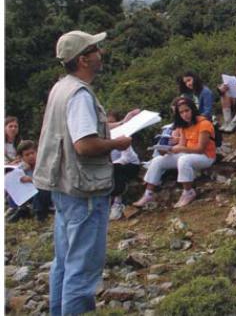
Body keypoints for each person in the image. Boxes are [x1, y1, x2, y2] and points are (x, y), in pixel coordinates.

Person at [32, 30, 133, 315]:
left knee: (63, 262)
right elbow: (85, 145)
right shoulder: (79, 95)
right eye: (95, 49)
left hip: (64, 187)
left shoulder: (61, 87)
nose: (101, 53)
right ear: (84, 59)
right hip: (85, 191)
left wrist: (122, 123)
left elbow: (78, 131)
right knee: (83, 270)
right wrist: (118, 142)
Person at [134, 96, 216, 208]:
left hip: (205, 156)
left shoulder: (204, 124)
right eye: (181, 112)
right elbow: (182, 144)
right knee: (158, 160)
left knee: (184, 159)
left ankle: (188, 192)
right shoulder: (183, 126)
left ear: (192, 109)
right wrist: (168, 150)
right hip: (189, 153)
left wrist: (180, 149)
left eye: (187, 110)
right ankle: (148, 194)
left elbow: (200, 148)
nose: (185, 114)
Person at [107, 110, 142, 221]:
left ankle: (117, 202)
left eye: (112, 122)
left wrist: (112, 164)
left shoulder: (122, 135)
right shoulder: (103, 137)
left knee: (114, 169)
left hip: (130, 164)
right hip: (113, 166)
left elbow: (127, 157)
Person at [6, 140, 52, 223]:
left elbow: (49, 182)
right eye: (27, 155)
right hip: (26, 197)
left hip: (43, 195)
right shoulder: (21, 168)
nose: (31, 156)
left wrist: (31, 180)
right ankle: (22, 210)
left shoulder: (43, 165)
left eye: (33, 153)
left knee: (41, 192)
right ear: (21, 157)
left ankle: (39, 214)